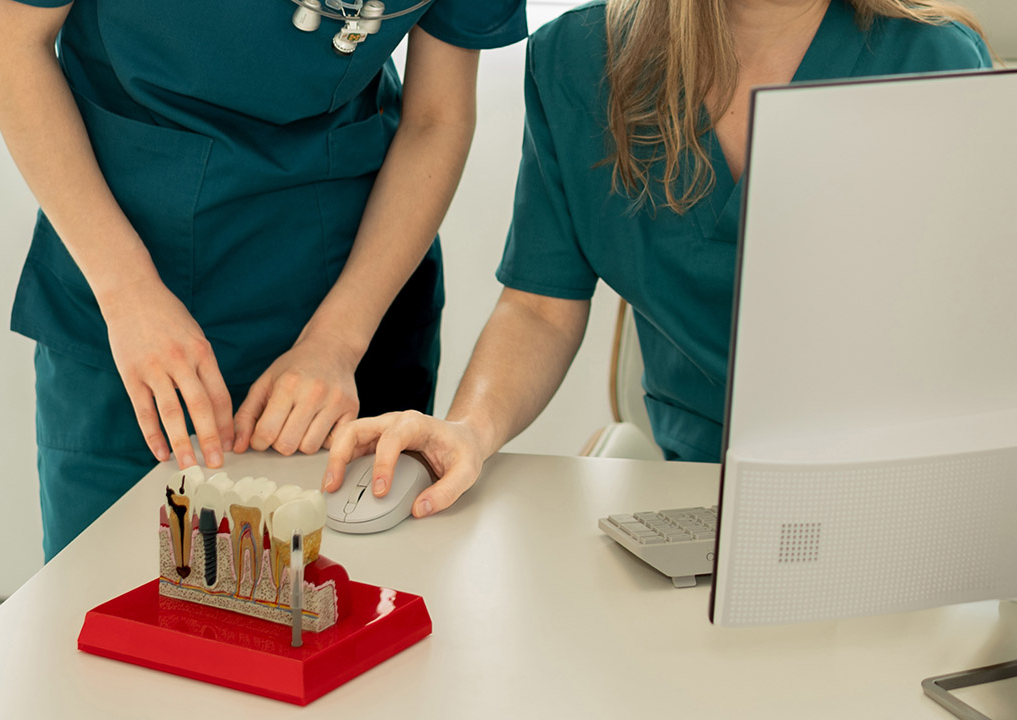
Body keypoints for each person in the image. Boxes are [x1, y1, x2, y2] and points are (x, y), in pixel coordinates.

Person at [322, 0, 993, 517]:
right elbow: (538, 309)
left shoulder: (935, 62)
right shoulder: (578, 61)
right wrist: (467, 430)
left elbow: (971, 349)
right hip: (696, 492)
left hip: (893, 496)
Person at [0, 0, 526, 559]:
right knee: (109, 599)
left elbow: (438, 116)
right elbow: (9, 41)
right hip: (126, 286)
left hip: (353, 290)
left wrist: (337, 341)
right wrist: (127, 290)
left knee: (347, 606)